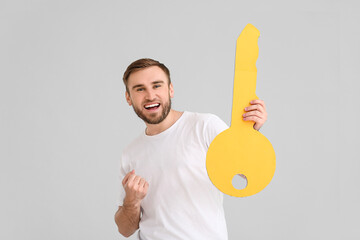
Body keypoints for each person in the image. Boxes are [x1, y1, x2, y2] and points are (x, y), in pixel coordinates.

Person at [114, 58, 268, 239]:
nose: (150, 95)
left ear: (170, 89)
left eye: (157, 86)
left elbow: (246, 172)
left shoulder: (204, 126)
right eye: (140, 89)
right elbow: (125, 230)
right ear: (128, 98)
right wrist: (132, 201)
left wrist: (252, 134)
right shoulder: (131, 153)